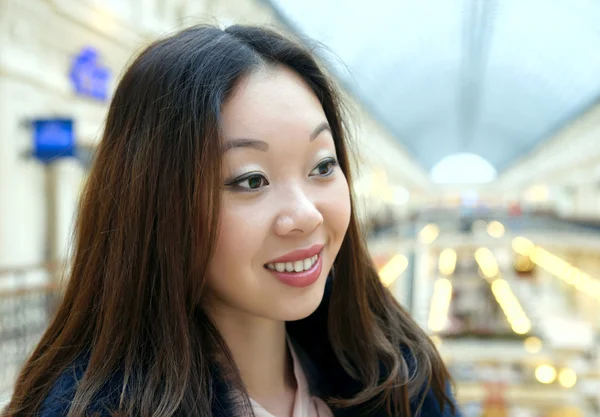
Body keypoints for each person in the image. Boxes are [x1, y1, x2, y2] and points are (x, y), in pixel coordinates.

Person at [3, 25, 460, 417]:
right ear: (160, 208)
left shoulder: (400, 382)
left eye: (322, 166)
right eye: (251, 180)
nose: (305, 214)